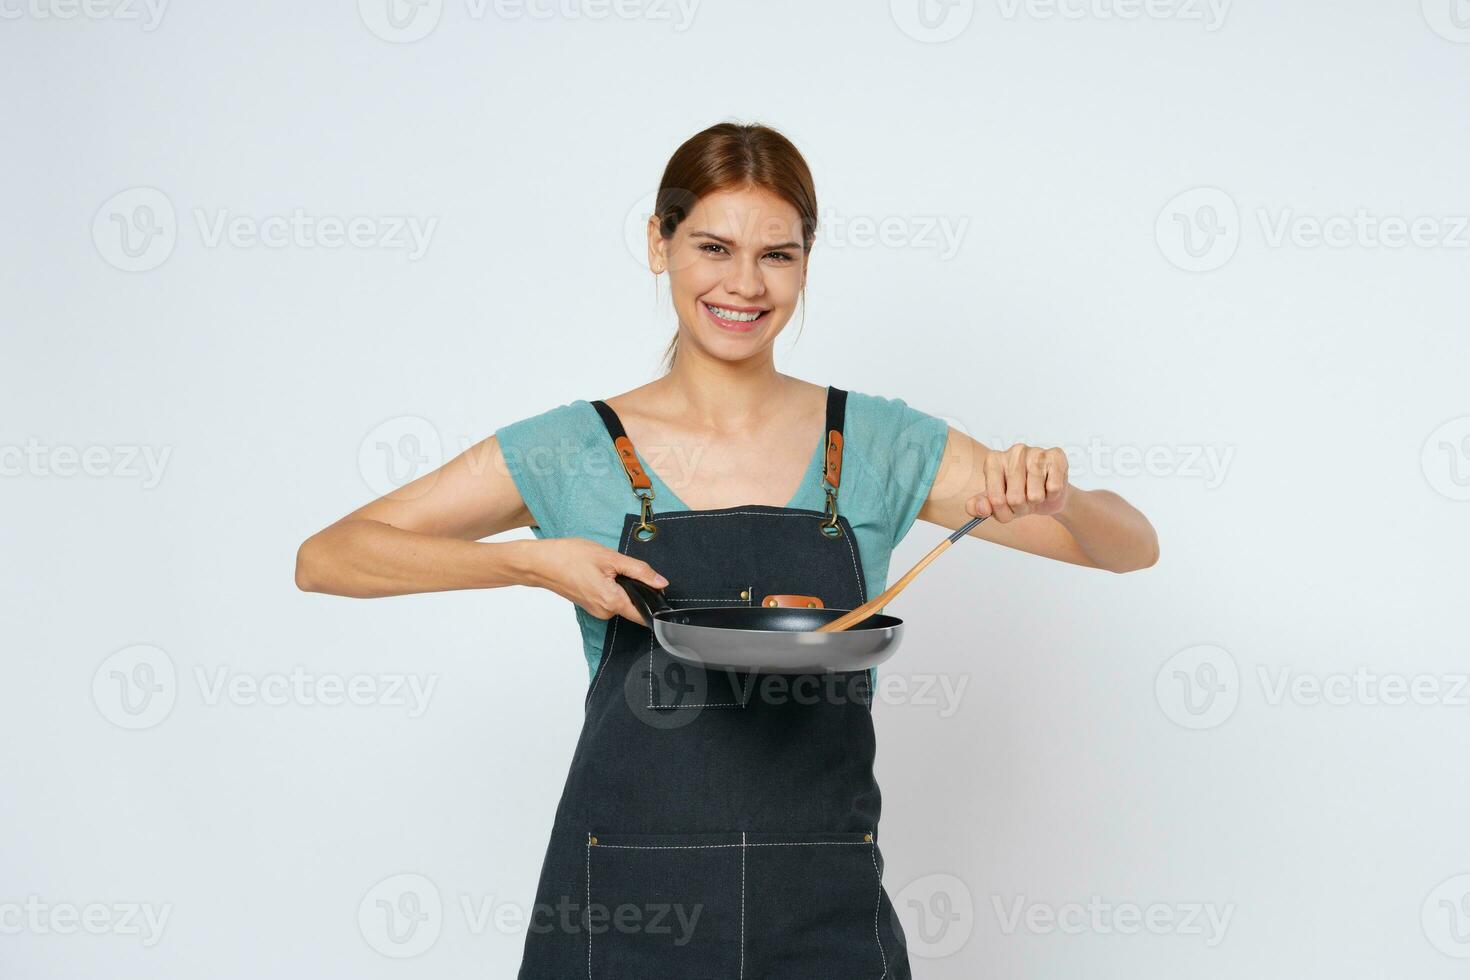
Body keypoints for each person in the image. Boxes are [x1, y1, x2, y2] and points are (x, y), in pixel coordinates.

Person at [295, 121, 1158, 977]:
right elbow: (328, 556)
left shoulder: (876, 442)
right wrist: (525, 561)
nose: (744, 284)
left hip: (825, 911)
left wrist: (1064, 495)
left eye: (777, 255)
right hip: (621, 914)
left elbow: (1130, 548)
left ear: (807, 261)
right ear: (658, 244)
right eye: (713, 247)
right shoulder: (573, 447)